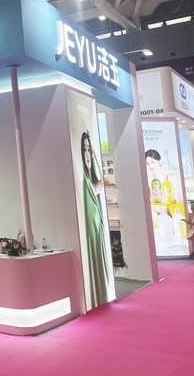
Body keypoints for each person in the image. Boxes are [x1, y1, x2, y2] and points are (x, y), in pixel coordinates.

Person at [81, 131, 111, 307]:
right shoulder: (85, 182)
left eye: (89, 149)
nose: (87, 154)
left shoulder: (91, 181)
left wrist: (95, 156)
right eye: (84, 149)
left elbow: (102, 181)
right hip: (91, 230)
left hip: (98, 228)